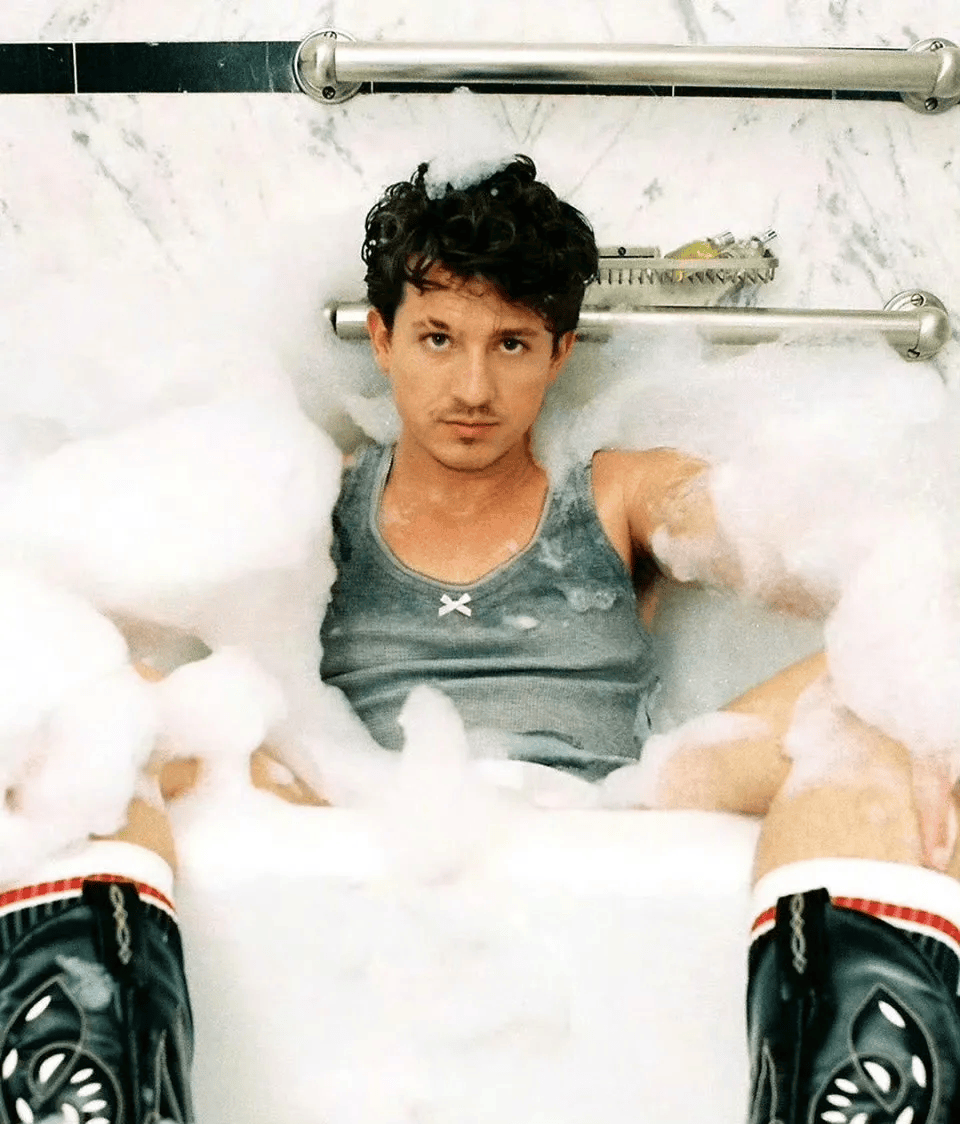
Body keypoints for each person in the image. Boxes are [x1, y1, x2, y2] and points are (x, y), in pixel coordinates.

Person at [320, 154, 960, 1123]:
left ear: (560, 352)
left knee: (879, 707)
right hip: (361, 817)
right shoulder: (312, 498)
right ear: (382, 338)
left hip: (608, 813)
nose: (474, 385)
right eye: (439, 338)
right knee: (121, 724)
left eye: (513, 343)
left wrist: (925, 683)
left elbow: (830, 546)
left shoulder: (618, 493)